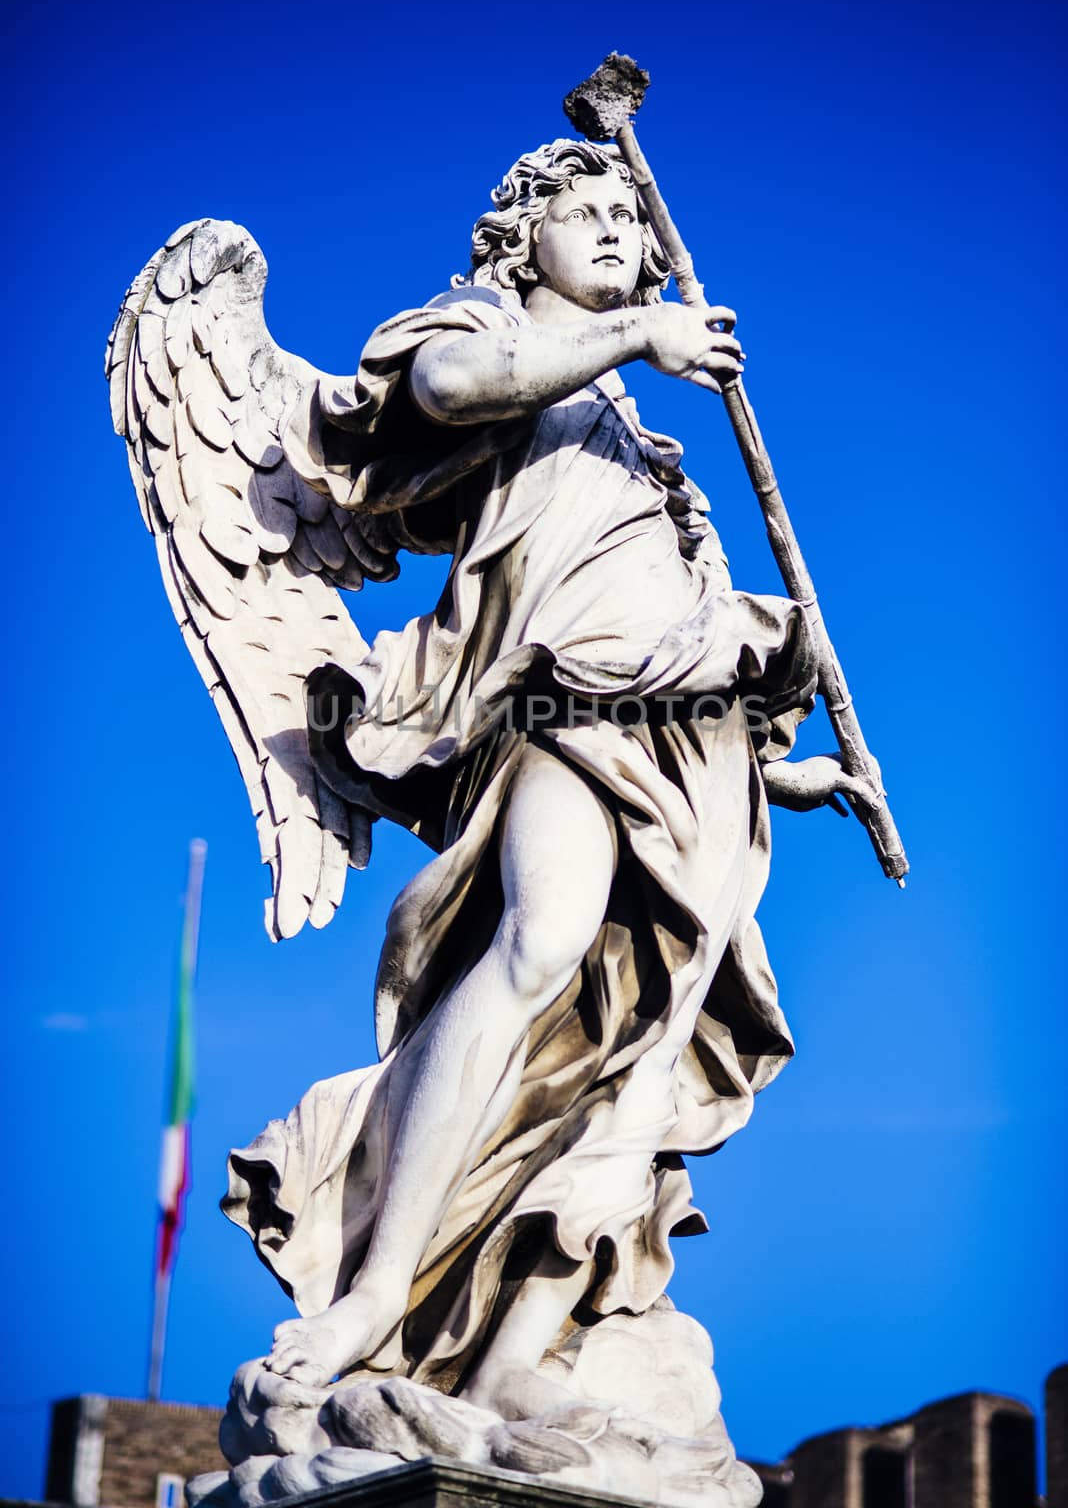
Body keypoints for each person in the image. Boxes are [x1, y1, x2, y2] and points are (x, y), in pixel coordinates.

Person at [224, 139, 871, 1414]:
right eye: (591, 209)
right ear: (524, 235)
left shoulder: (631, 432)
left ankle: (523, 1346)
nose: (622, 228)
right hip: (555, 706)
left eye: (634, 213)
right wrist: (639, 331)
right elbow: (458, 383)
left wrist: (768, 767)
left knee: (627, 1045)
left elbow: (670, 612)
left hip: (687, 749)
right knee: (541, 942)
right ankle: (375, 1287)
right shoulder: (484, 331)